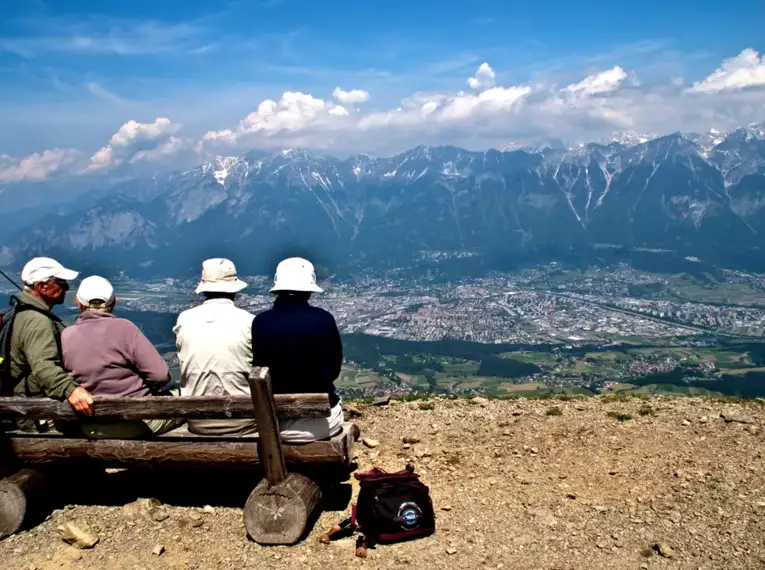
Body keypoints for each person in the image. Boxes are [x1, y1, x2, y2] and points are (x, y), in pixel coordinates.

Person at [60, 276, 179, 439]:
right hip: (134, 423)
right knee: (178, 395)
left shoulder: (66, 335)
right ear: (114, 302)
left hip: (89, 426)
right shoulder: (125, 328)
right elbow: (160, 375)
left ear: (77, 303)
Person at [252, 257, 344, 443]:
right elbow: (333, 372)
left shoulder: (260, 322)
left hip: (275, 423)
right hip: (319, 423)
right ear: (309, 290)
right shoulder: (324, 319)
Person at [173, 258, 256, 435]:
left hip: (198, 421)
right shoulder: (249, 322)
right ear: (234, 289)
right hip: (243, 421)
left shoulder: (185, 319)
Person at [8, 257, 94, 426]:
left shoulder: (22, 312)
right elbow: (44, 367)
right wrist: (72, 390)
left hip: (24, 406)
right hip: (36, 413)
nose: (67, 288)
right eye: (61, 282)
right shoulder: (37, 321)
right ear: (42, 286)